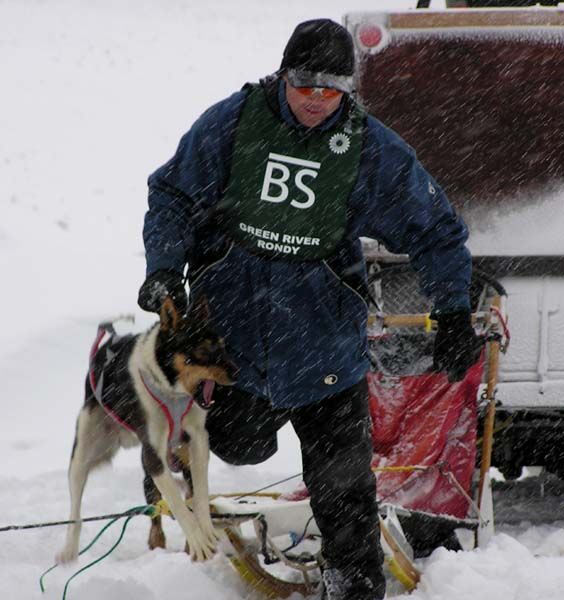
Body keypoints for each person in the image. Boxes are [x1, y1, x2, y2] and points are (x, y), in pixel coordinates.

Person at [138, 18, 481, 600]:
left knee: (343, 486)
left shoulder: (370, 149)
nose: (318, 101)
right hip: (231, 340)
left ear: (348, 89)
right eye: (305, 86)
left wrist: (453, 312)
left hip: (324, 343)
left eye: (333, 90)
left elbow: (438, 231)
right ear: (282, 75)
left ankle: (353, 583)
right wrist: (165, 268)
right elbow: (171, 193)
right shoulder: (233, 123)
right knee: (239, 444)